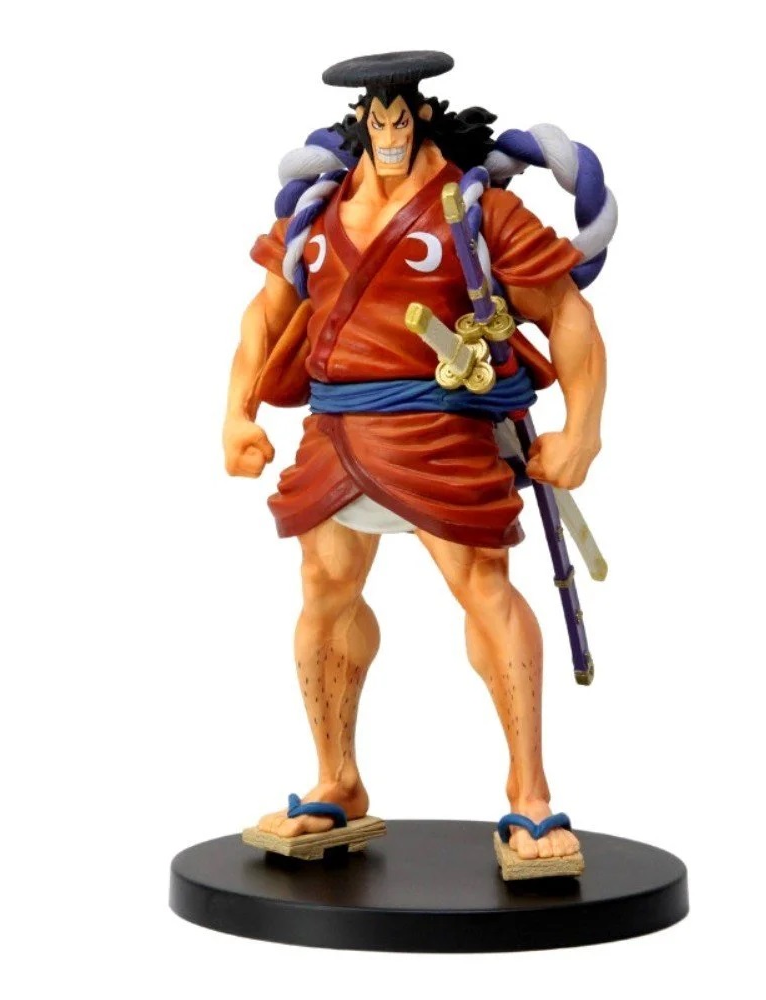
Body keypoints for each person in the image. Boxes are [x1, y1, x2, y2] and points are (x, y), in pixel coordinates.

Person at [222, 51, 606, 872]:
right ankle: (336, 780)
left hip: (443, 428)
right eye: (378, 118)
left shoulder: (475, 210)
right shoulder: (318, 215)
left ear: (421, 118)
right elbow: (265, 315)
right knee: (324, 591)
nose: (391, 130)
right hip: (336, 433)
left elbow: (565, 313)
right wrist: (236, 412)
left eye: (402, 116)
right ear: (363, 124)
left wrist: (583, 429)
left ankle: (530, 794)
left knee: (484, 590)